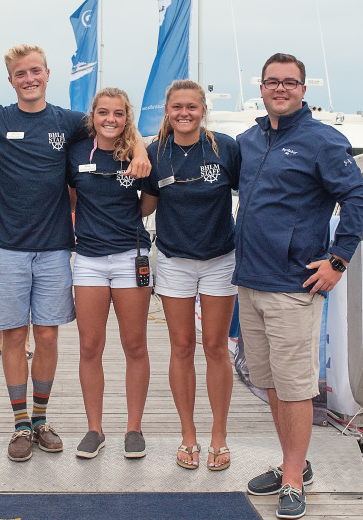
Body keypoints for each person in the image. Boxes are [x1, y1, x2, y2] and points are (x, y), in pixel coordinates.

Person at [0, 43, 150, 462]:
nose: (29, 79)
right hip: (5, 247)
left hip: (54, 249)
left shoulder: (68, 121)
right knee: (13, 337)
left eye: (35, 71)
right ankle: (20, 424)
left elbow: (115, 125)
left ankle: (42, 419)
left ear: (48, 74)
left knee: (46, 335)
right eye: (20, 74)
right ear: (11, 80)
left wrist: (139, 149)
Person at [235, 53, 363, 519]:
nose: (280, 88)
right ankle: (295, 463)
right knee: (270, 382)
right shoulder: (249, 140)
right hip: (249, 281)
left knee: (294, 387)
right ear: (262, 87)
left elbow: (356, 198)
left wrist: (338, 260)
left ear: (304, 89)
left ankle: (292, 480)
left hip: (293, 284)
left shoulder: (322, 140)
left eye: (289, 82)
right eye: (272, 81)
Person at [139, 80, 239, 472]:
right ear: (168, 110)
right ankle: (188, 435)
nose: (184, 113)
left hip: (220, 258)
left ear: (203, 110)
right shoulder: (154, 153)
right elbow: (144, 207)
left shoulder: (225, 148)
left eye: (192, 107)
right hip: (175, 259)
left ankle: (218, 435)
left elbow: (254, 192)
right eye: (177, 106)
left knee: (215, 347)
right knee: (182, 346)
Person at [67, 88, 151, 459]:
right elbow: (72, 198)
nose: (110, 119)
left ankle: (134, 428)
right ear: (93, 115)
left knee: (134, 345)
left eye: (118, 113)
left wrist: (141, 148)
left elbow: (148, 203)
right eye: (103, 112)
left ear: (126, 117)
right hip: (88, 259)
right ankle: (94, 429)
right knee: (89, 346)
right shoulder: (76, 152)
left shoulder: (136, 154)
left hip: (131, 256)